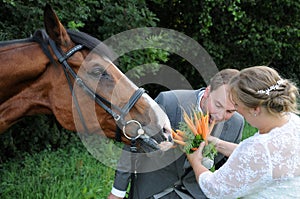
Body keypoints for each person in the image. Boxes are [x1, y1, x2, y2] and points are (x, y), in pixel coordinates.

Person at [108, 68, 245, 199]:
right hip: (152, 191)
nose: (220, 116)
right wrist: (118, 192)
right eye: (218, 105)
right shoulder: (169, 101)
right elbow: (133, 145)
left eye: (230, 111)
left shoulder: (237, 123)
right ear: (208, 92)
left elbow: (226, 170)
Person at [187, 66, 300, 198]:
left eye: (236, 105)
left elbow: (215, 190)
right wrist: (215, 142)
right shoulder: (292, 121)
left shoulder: (258, 148)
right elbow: (265, 159)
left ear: (255, 110)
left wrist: (195, 161)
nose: (235, 109)